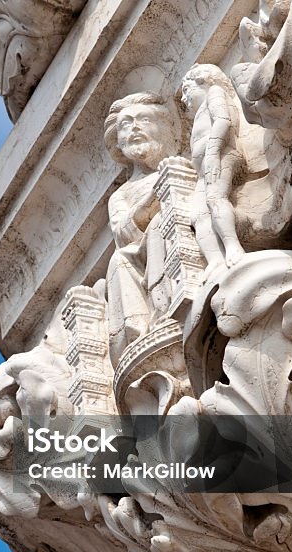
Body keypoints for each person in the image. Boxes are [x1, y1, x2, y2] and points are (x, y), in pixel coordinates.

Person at [102, 92, 183, 363]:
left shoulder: (179, 165)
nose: (134, 128)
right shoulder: (121, 194)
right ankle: (137, 333)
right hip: (139, 255)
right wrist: (152, 199)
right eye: (125, 124)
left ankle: (166, 307)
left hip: (179, 234)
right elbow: (124, 233)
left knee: (159, 225)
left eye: (143, 119)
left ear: (163, 127)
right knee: (118, 260)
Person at [180, 64, 246, 267]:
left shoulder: (215, 92)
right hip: (205, 168)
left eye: (186, 89)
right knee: (198, 214)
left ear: (203, 81)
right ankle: (216, 261)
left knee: (216, 198)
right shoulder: (200, 112)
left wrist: (211, 153)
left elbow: (223, 121)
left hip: (222, 155)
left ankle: (233, 246)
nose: (183, 99)